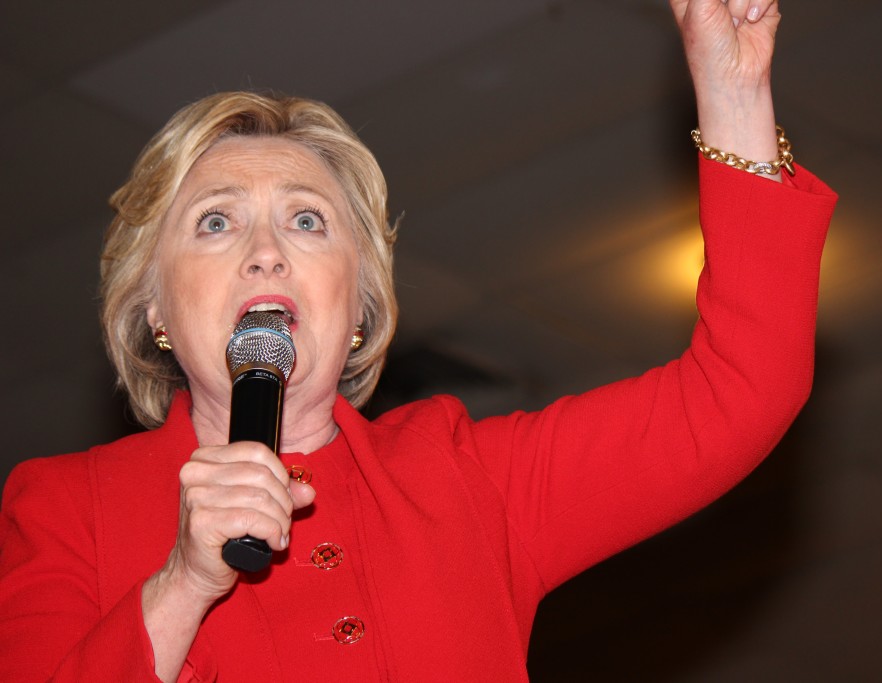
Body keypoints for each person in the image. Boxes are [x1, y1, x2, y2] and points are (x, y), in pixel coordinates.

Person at [0, 0, 837, 681]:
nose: (267, 250)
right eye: (215, 223)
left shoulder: (469, 483)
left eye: (307, 220)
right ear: (153, 309)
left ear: (359, 304)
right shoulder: (70, 511)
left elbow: (742, 386)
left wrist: (733, 91)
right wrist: (184, 585)